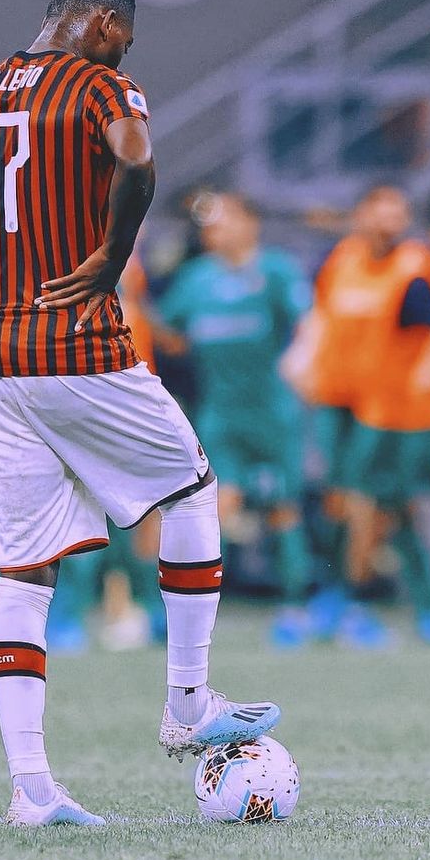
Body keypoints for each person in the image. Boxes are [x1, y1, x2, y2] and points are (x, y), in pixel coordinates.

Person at [0, 0, 280, 827]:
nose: (124, 57)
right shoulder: (99, 86)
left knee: (23, 572)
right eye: (126, 43)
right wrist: (112, 260)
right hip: (79, 346)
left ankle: (32, 789)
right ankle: (187, 699)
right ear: (106, 26)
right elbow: (138, 163)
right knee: (191, 488)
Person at [284, 186, 430, 645]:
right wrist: (303, 363)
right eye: (379, 210)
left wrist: (422, 379)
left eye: (397, 211)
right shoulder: (342, 259)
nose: (388, 220)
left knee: (372, 505)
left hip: (389, 411)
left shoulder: (415, 267)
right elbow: (320, 318)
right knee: (357, 502)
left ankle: (349, 600)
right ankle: (389, 603)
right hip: (336, 399)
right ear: (361, 216)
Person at [158, 193, 314, 647]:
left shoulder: (277, 270)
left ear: (249, 222)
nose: (214, 230)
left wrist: (300, 360)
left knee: (283, 506)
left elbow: (307, 322)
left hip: (272, 409)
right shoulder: (195, 277)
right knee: (213, 506)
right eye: (208, 224)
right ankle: (197, 607)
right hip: (220, 411)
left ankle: (296, 603)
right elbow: (168, 331)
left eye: (223, 220)